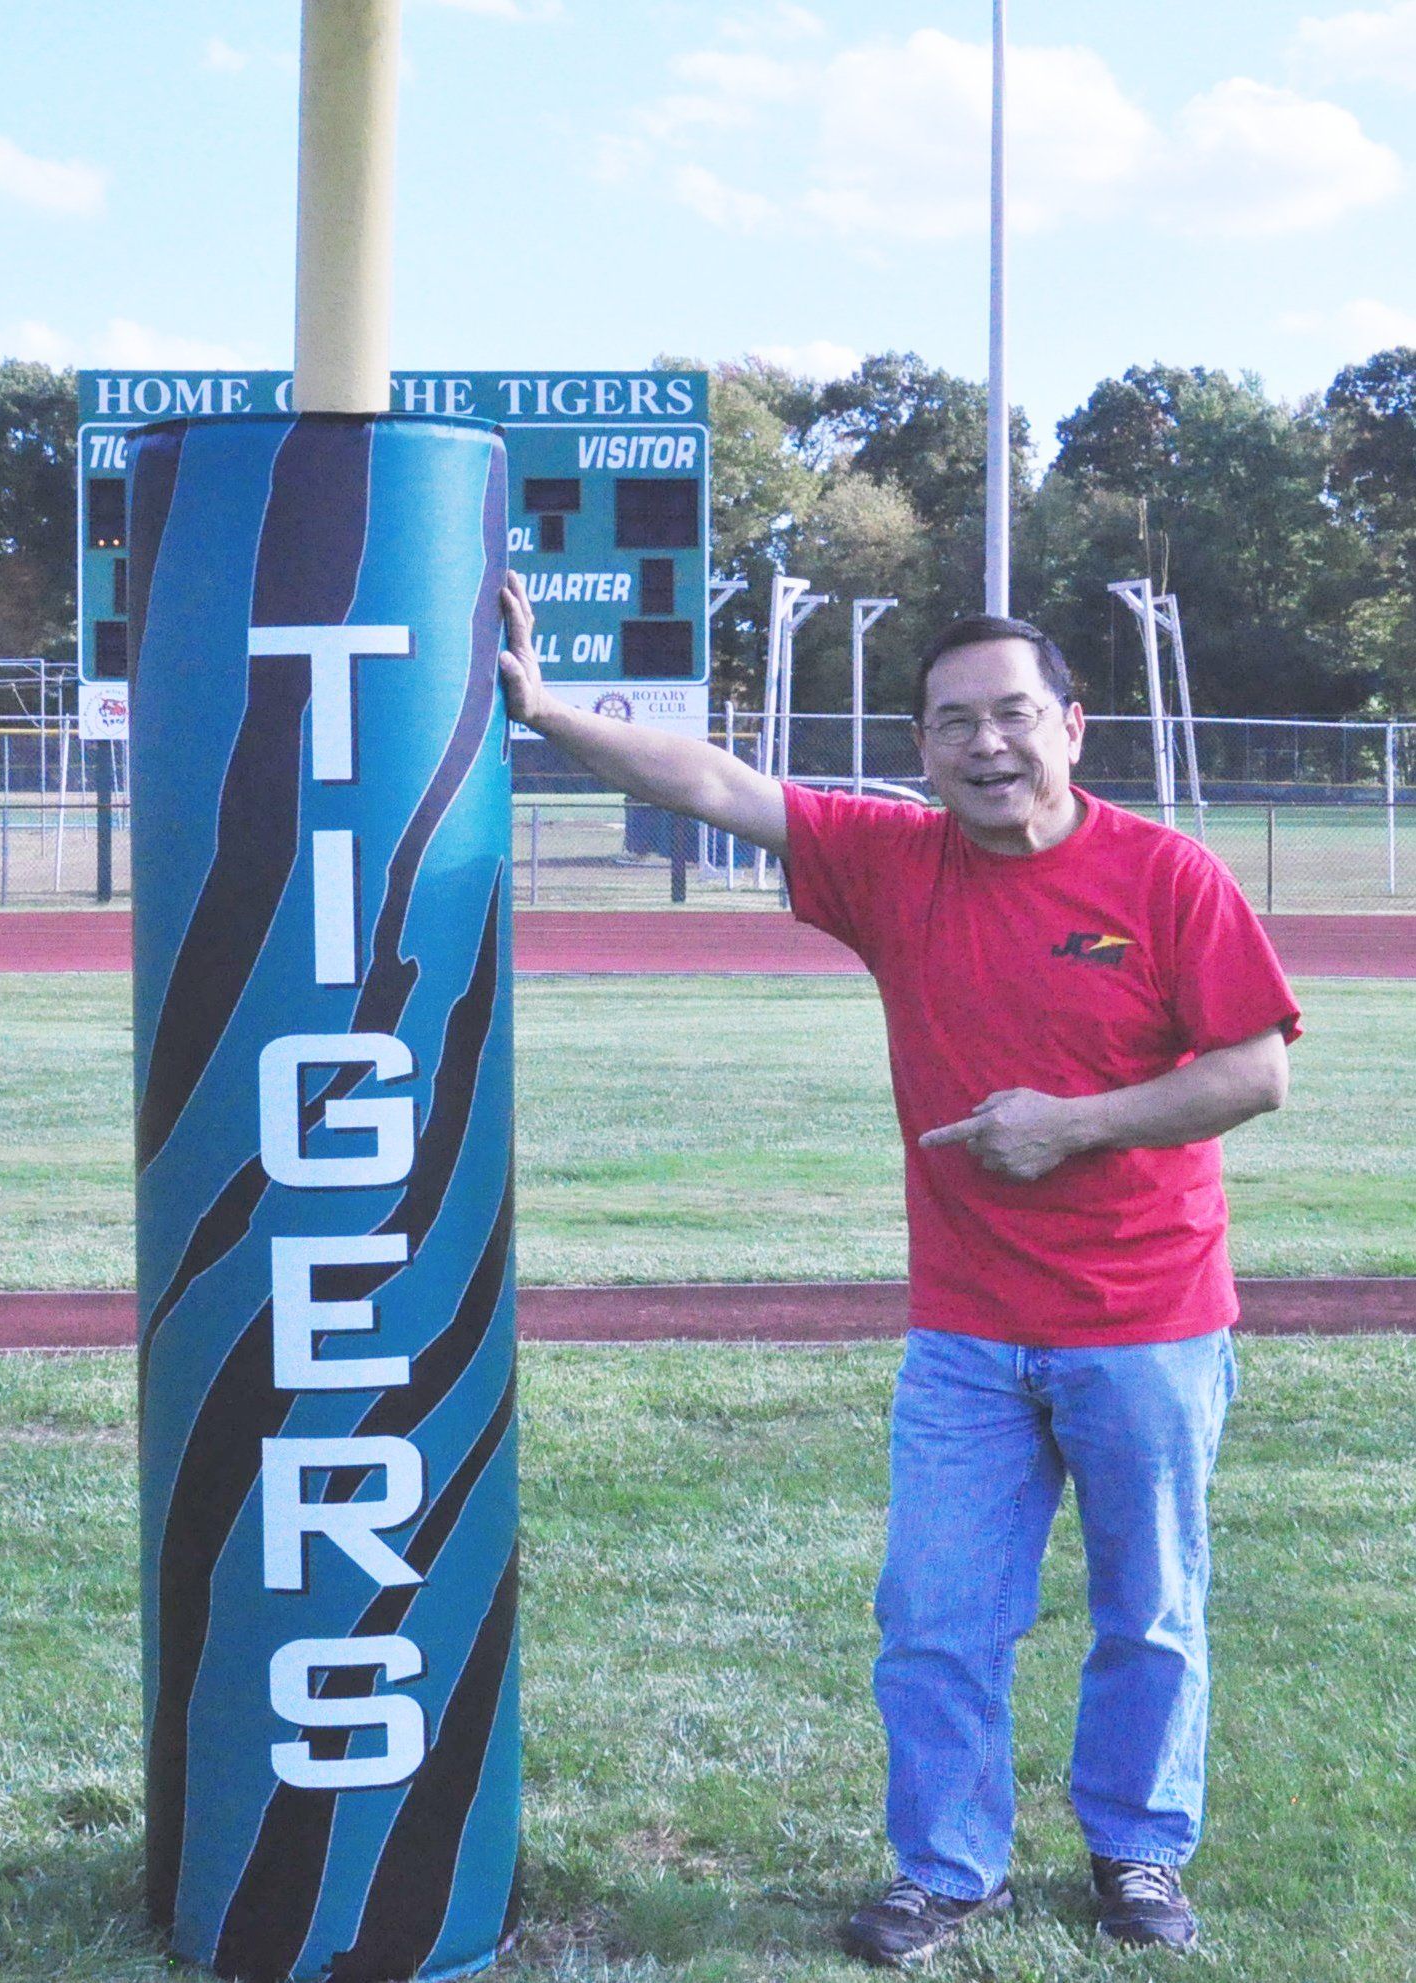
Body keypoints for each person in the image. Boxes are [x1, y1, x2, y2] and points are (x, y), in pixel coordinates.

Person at [499, 573, 1301, 1965]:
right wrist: (548, 708)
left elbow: (1254, 1070)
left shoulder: (1166, 877)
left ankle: (1138, 1854)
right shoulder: (892, 862)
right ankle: (948, 1868)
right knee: (933, 1617)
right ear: (922, 749)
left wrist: (1073, 1126)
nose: (985, 747)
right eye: (950, 725)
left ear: (1071, 725)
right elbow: (711, 784)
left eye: (1011, 715)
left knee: (1148, 1613)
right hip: (968, 1334)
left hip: (1146, 1321)